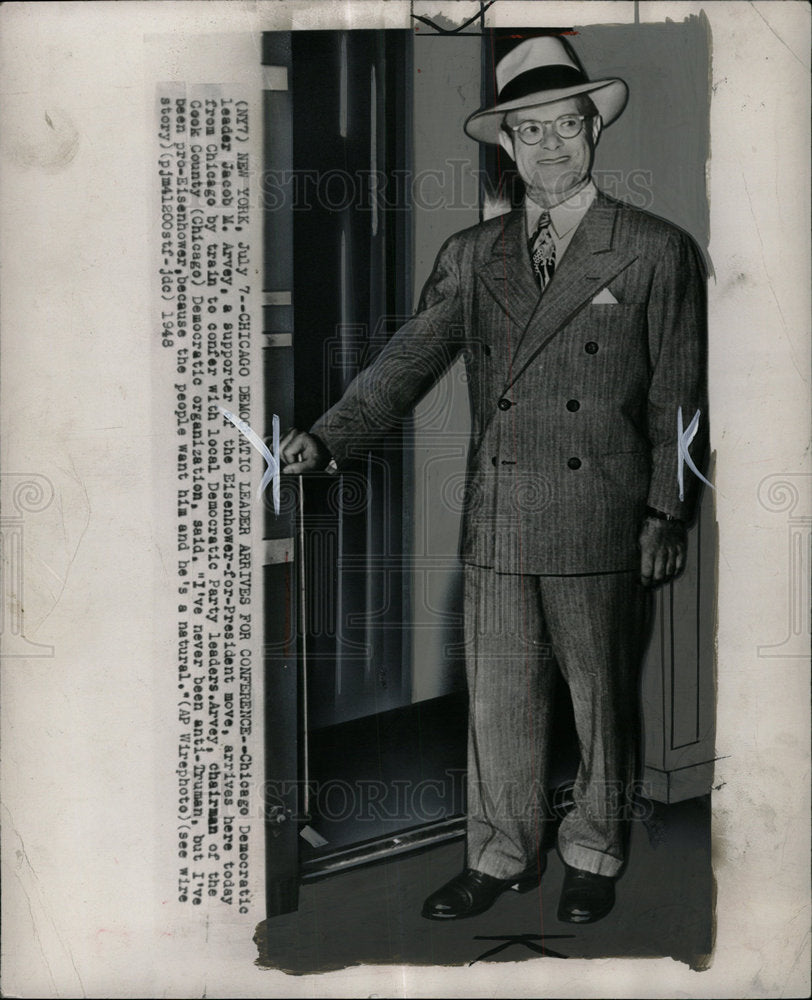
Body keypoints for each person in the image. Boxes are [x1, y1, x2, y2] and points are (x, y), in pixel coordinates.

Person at [280, 35, 707, 924]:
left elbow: (675, 395)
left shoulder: (655, 249)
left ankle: (594, 850)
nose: (552, 146)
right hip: (502, 513)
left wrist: (667, 510)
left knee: (600, 703)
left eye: (567, 126)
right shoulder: (474, 254)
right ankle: (502, 853)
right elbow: (406, 361)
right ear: (506, 147)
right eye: (531, 131)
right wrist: (329, 437)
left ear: (594, 133)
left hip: (604, 512)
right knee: (502, 704)